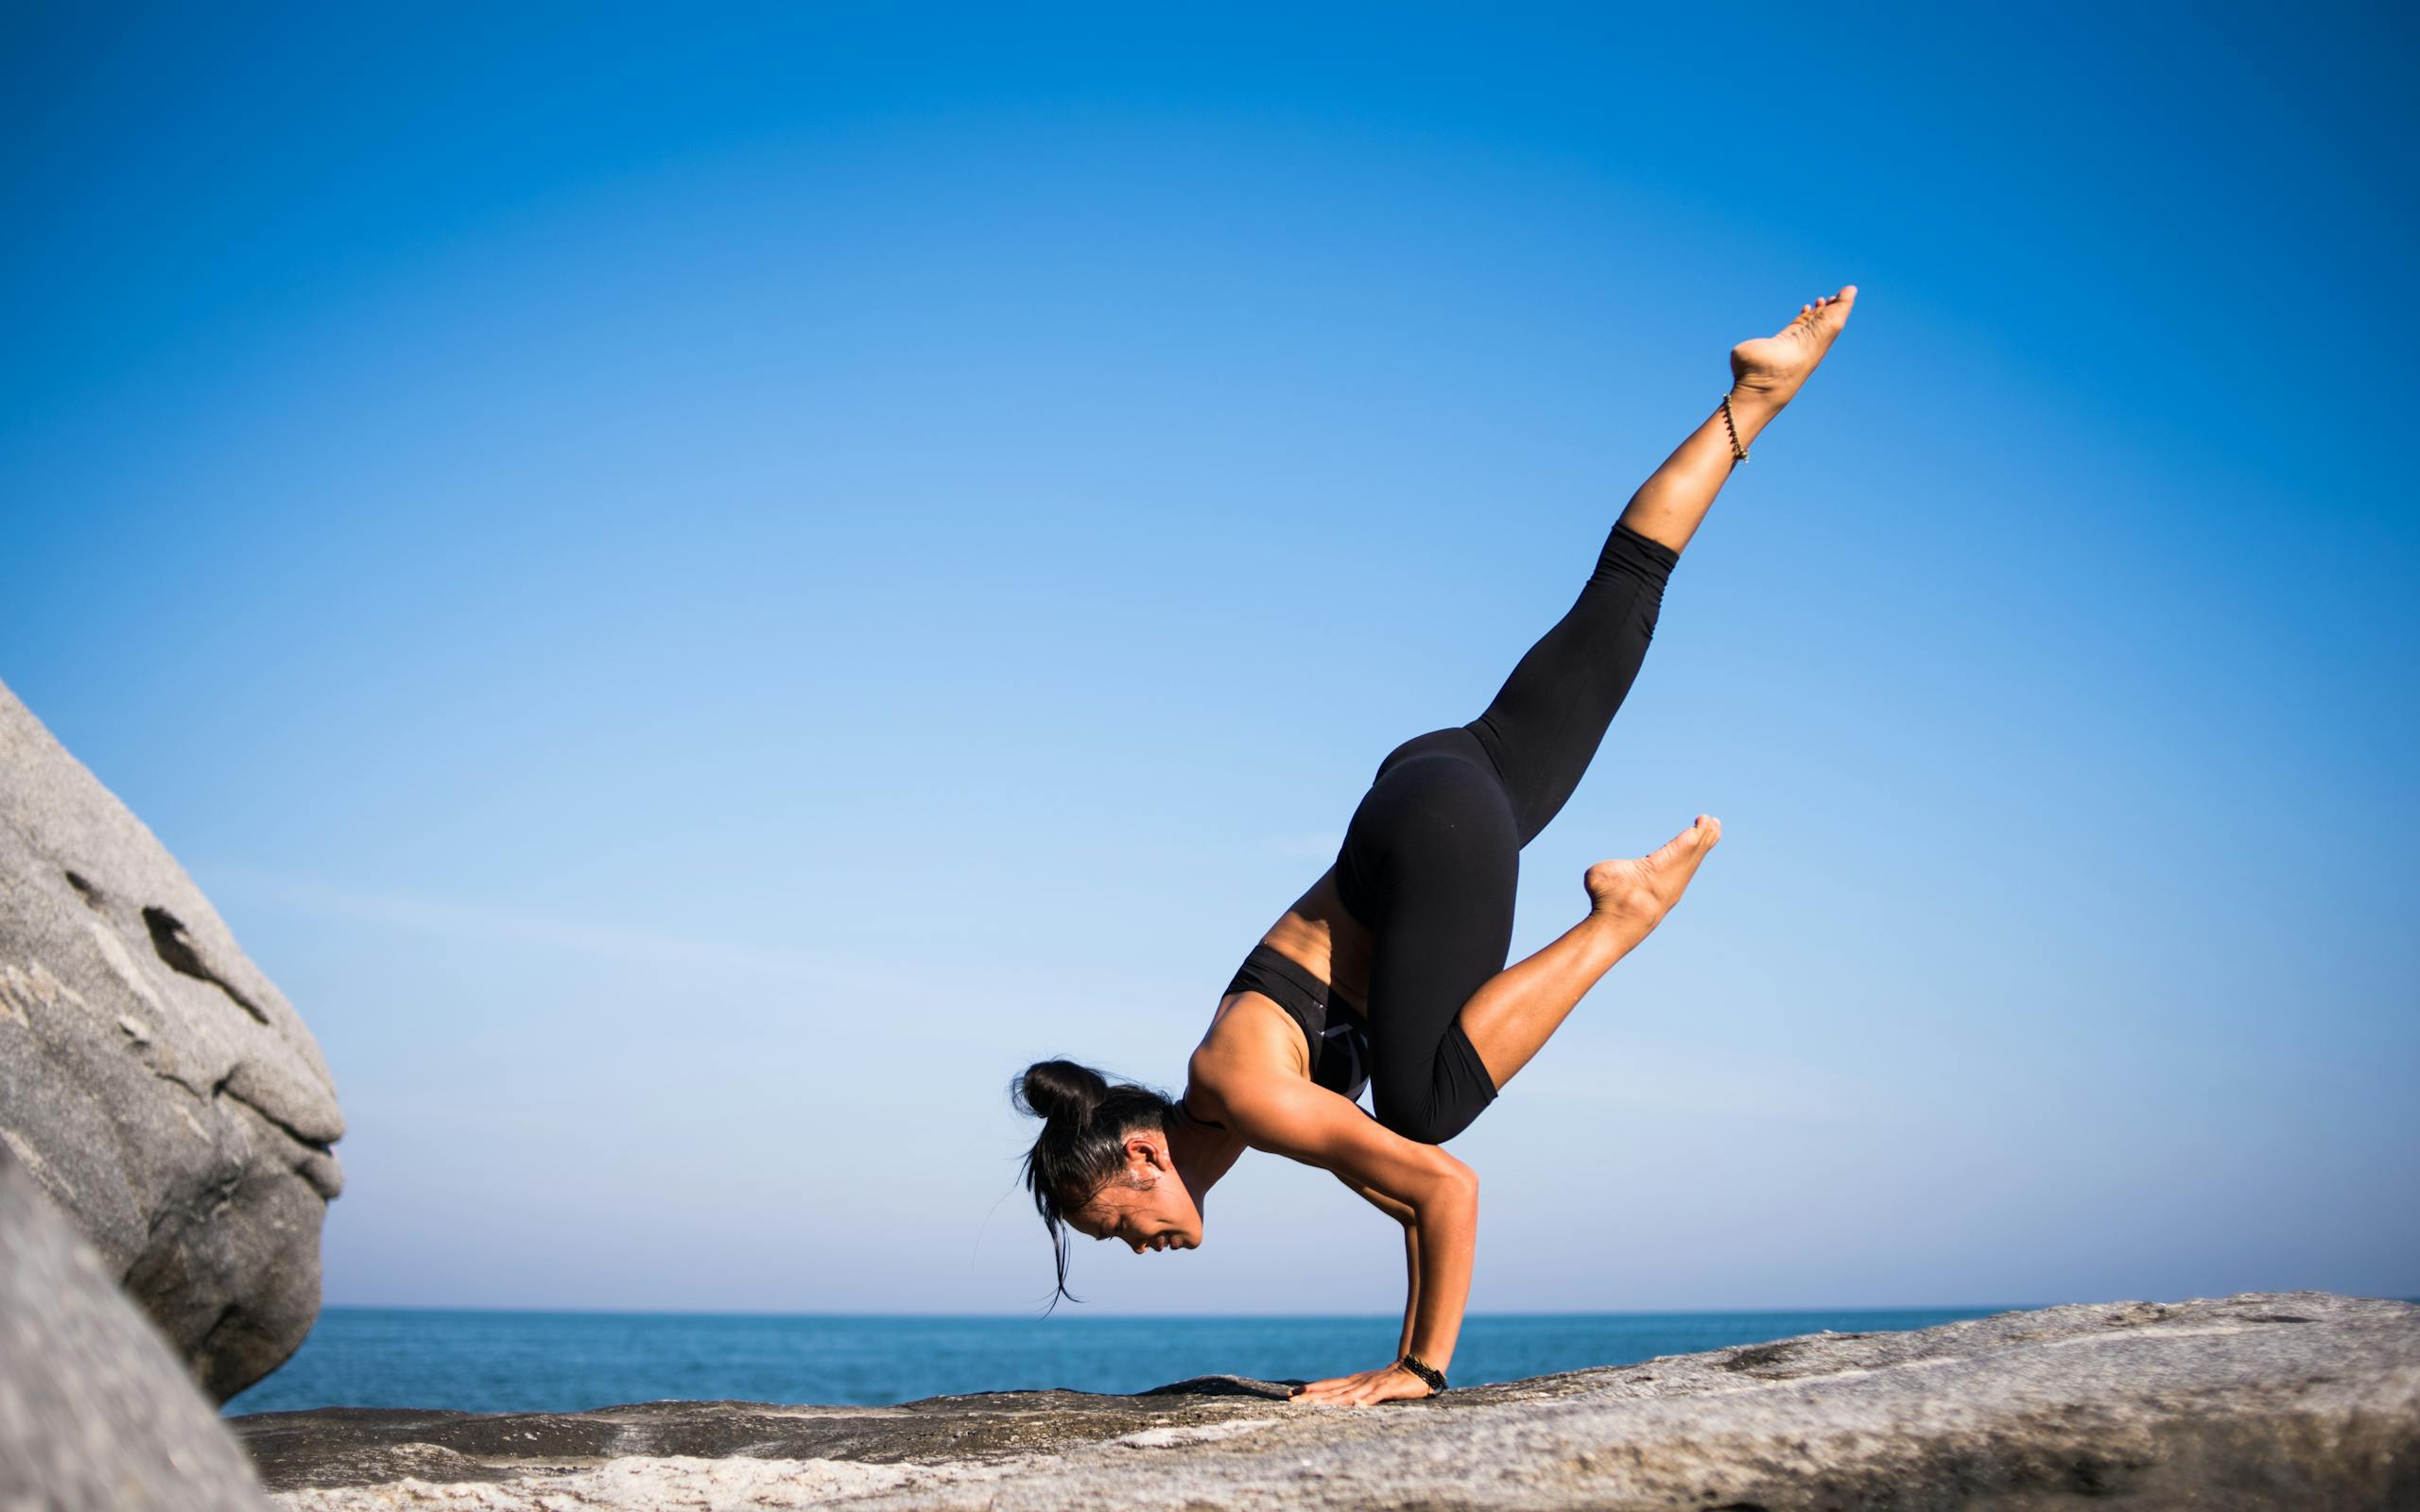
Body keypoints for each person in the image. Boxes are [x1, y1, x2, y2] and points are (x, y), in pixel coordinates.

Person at [1011, 287, 1859, 1405]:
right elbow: (1397, 1194)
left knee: (1423, 1106)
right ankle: (1756, 396)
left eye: (1117, 1226)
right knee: (1619, 604)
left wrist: (1415, 1368)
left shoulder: (1242, 1091)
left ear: (1142, 1158)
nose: (1135, 1247)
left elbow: (1441, 1186)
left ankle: (1619, 916)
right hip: (1434, 787)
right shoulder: (1229, 1105)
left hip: (1433, 836)